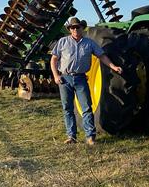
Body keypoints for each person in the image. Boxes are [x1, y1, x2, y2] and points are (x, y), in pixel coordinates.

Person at [50, 17, 123, 145]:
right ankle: (71, 136)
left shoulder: (89, 43)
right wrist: (56, 76)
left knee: (86, 107)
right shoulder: (62, 42)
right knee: (67, 108)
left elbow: (101, 56)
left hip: (81, 78)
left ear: (82, 28)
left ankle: (90, 137)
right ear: (69, 30)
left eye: (78, 27)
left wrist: (113, 66)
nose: (75, 29)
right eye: (72, 27)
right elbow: (54, 59)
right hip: (65, 79)